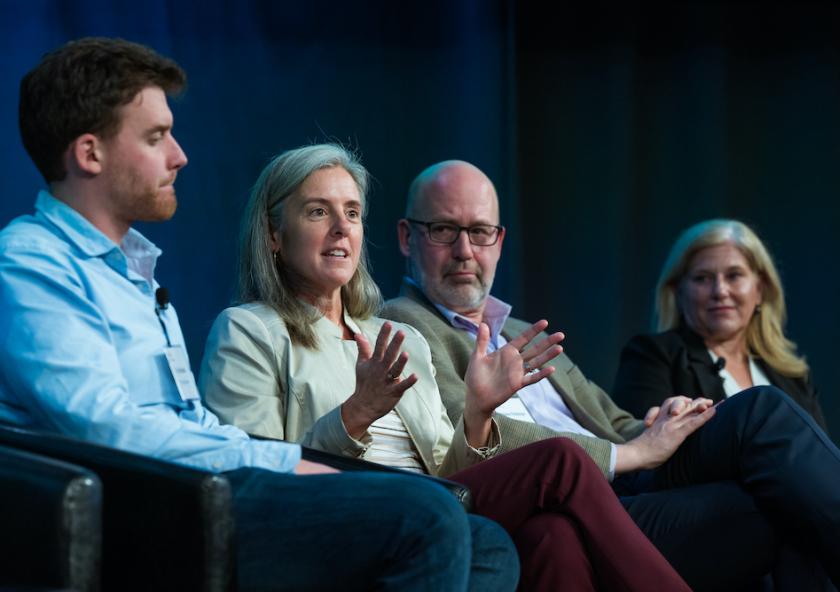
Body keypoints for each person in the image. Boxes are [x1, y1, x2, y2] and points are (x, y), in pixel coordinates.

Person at [0, 38, 520, 592]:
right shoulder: (30, 262)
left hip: (205, 485)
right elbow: (102, 426)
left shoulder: (131, 272)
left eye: (351, 213)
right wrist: (281, 464)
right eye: (156, 137)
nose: (179, 155)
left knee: (487, 544)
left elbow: (190, 421)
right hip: (152, 509)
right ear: (89, 153)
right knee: (427, 517)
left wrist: (282, 463)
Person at [199, 143, 692, 592]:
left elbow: (448, 470)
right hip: (342, 511)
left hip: (428, 500)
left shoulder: (399, 338)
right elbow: (251, 478)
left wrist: (478, 414)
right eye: (317, 212)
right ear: (273, 234)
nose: (341, 229)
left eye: (351, 213)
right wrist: (353, 417)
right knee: (558, 459)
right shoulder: (248, 331)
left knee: (552, 533)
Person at [380, 159, 840, 591]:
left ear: (499, 242)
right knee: (770, 459)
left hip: (628, 476)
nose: (465, 251)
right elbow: (467, 439)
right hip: (585, 495)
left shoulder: (520, 331)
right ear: (407, 237)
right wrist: (626, 454)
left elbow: (615, 422)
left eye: (479, 232)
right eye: (444, 230)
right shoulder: (400, 327)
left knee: (762, 427)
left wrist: (661, 423)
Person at [611, 218, 827, 429]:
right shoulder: (653, 357)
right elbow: (643, 451)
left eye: (734, 276)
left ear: (759, 290)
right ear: (679, 291)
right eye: (702, 278)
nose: (720, 291)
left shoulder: (791, 376)